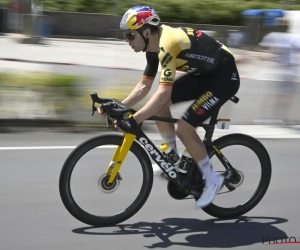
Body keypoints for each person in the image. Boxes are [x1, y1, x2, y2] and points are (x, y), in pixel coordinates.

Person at [98, 6, 240, 208]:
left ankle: (212, 179)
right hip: (203, 75)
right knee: (158, 105)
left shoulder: (167, 44)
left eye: (130, 36)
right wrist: (119, 105)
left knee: (184, 128)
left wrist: (134, 119)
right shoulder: (152, 47)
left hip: (223, 78)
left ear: (146, 32)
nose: (127, 41)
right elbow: (145, 85)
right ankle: (172, 155)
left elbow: (163, 92)